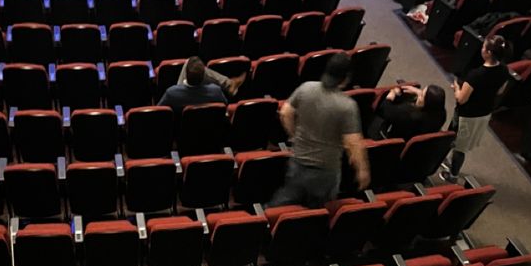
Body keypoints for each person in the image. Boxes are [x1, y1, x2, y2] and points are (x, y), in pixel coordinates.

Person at [269, 51, 370, 207]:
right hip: (326, 172)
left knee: (288, 202)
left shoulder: (306, 88)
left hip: (297, 162)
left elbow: (285, 112)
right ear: (346, 78)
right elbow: (353, 143)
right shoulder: (347, 106)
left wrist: (294, 135)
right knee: (317, 212)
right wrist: (362, 170)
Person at [440, 34, 510, 182]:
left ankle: (453, 176)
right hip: (483, 113)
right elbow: (500, 91)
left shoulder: (476, 75)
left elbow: (461, 99)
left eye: (484, 47)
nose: (481, 49)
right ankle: (445, 161)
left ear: (489, 52)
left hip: (466, 115)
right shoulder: (504, 71)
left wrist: (456, 88)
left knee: (459, 146)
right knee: (457, 140)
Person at [158, 55, 245, 115]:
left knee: (189, 62)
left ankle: (229, 84)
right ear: (203, 77)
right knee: (191, 63)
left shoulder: (172, 93)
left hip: (182, 128)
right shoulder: (215, 91)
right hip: (208, 127)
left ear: (186, 75)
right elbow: (224, 105)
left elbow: (159, 111)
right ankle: (229, 84)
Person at [370, 82, 447, 141]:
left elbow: (385, 110)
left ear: (427, 103)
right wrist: (418, 92)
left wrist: (391, 94)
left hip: (393, 144)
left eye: (421, 95)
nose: (419, 96)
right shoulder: (441, 115)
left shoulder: (409, 114)